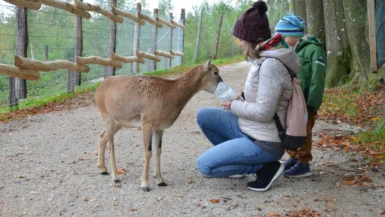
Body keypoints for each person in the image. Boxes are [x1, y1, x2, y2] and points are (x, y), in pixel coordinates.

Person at [195, 0, 301, 192]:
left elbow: (264, 112)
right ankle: (238, 159)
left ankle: (265, 167)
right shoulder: (263, 58)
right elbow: (263, 98)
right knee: (203, 115)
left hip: (265, 141)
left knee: (205, 166)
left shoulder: (270, 65)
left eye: (241, 38)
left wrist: (232, 106)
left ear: (253, 38)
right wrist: (241, 98)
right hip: (251, 129)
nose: (239, 42)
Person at [275, 14, 326, 177]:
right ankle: (294, 157)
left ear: (294, 35)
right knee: (292, 129)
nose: (280, 40)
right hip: (293, 101)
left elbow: (317, 79)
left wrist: (312, 104)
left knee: (304, 131)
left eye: (282, 37)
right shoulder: (290, 50)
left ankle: (303, 163)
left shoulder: (313, 50)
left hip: (306, 102)